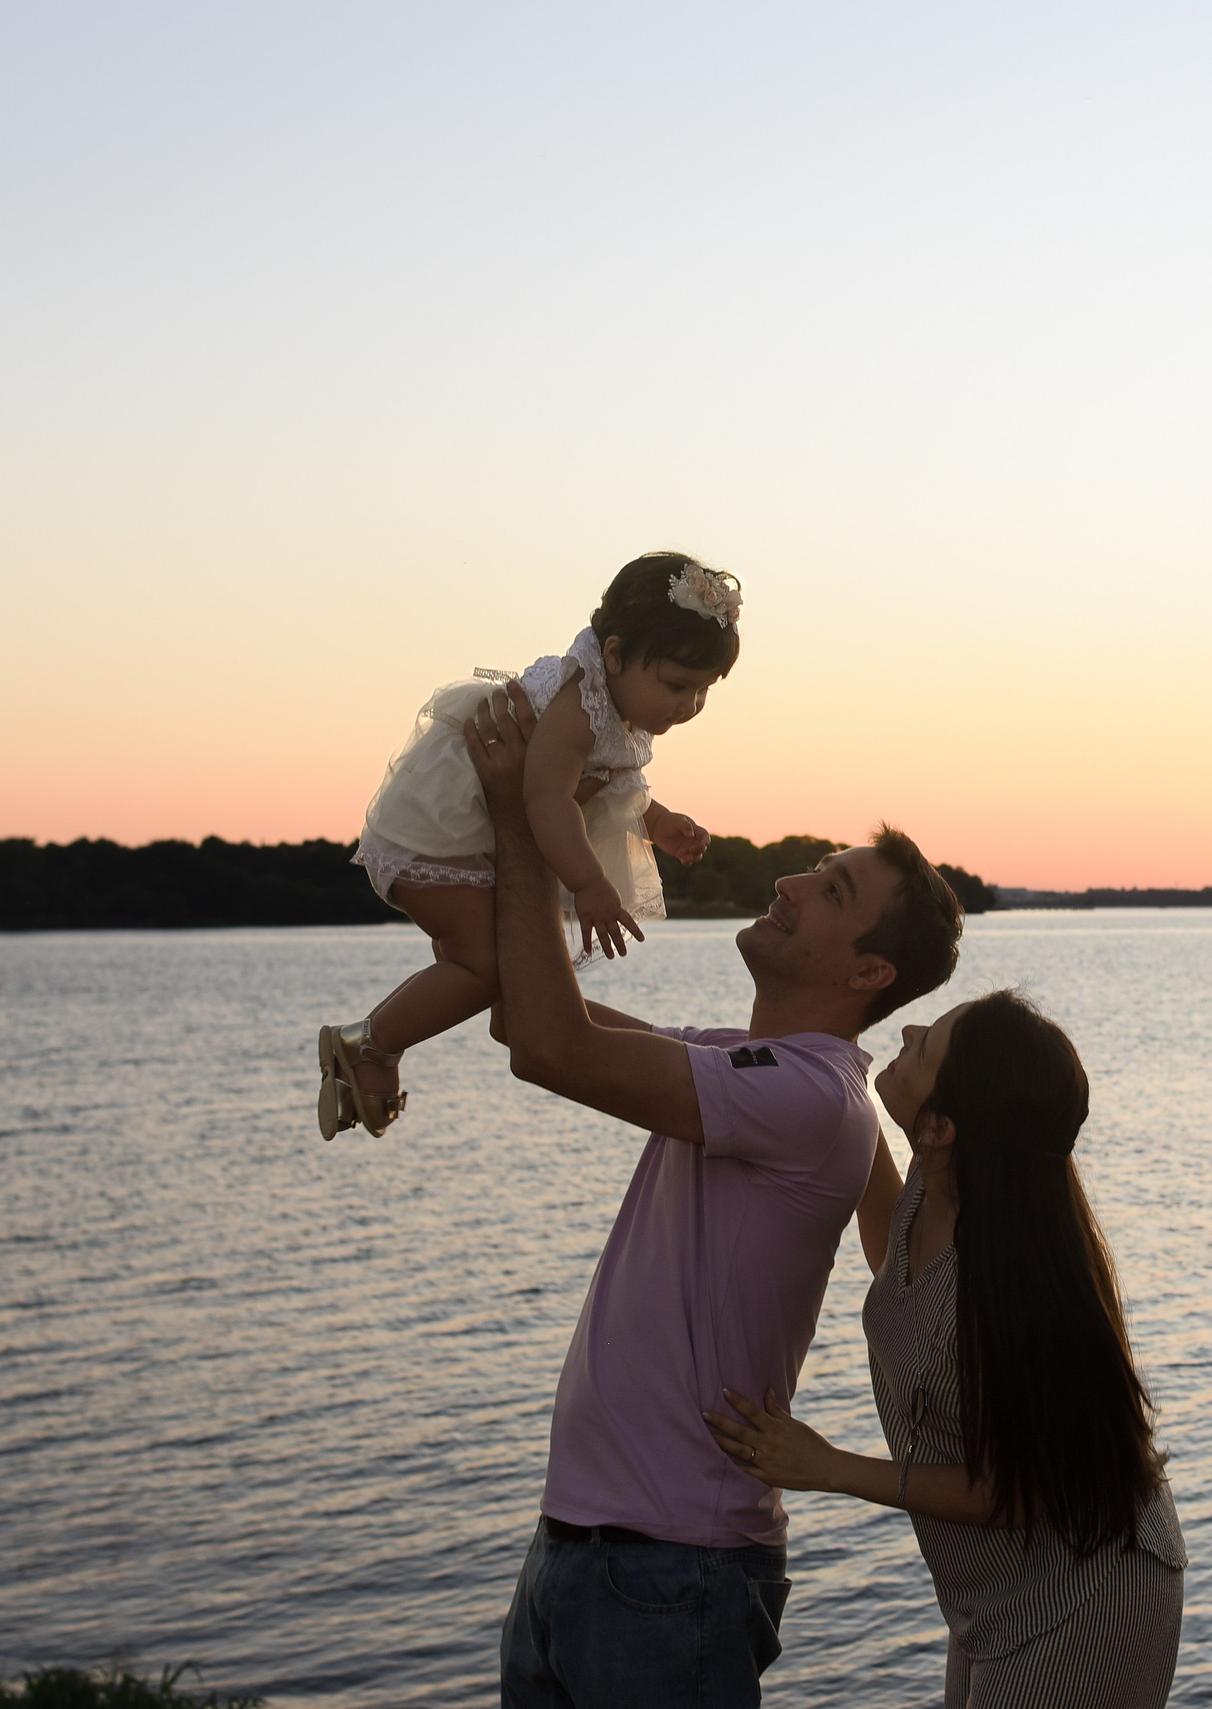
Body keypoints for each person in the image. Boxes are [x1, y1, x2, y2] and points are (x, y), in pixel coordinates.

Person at [458, 679, 967, 1709]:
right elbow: (530, 1017)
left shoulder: (807, 1094)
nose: (787, 880)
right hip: (585, 1550)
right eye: (816, 869)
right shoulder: (739, 1063)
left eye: (827, 889)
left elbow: (552, 1046)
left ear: (868, 969)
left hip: (669, 1570)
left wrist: (527, 819)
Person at [705, 991, 1187, 1709]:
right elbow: (897, 1271)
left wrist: (828, 1465)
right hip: (997, 1593)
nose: (908, 1028)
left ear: (941, 1127)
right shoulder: (935, 1191)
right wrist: (833, 1069)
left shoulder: (1004, 1284)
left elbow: (1019, 1489)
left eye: (926, 1043)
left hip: (1090, 1591)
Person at [313, 551, 740, 1141]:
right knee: (485, 965)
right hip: (439, 837)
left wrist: (659, 822)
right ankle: (368, 1044)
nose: (687, 707)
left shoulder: (617, 708)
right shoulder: (578, 705)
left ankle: (379, 1047)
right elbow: (545, 800)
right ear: (613, 655)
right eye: (676, 685)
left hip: (474, 844)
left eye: (703, 692)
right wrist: (590, 885)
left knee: (509, 969)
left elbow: (614, 785)